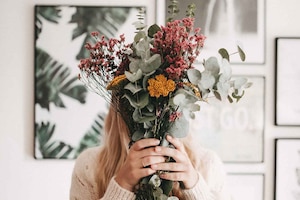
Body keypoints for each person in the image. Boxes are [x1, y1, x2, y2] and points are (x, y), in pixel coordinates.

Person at [70, 101, 231, 200]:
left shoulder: (207, 164)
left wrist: (195, 188)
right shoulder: (90, 165)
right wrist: (121, 186)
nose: (154, 115)